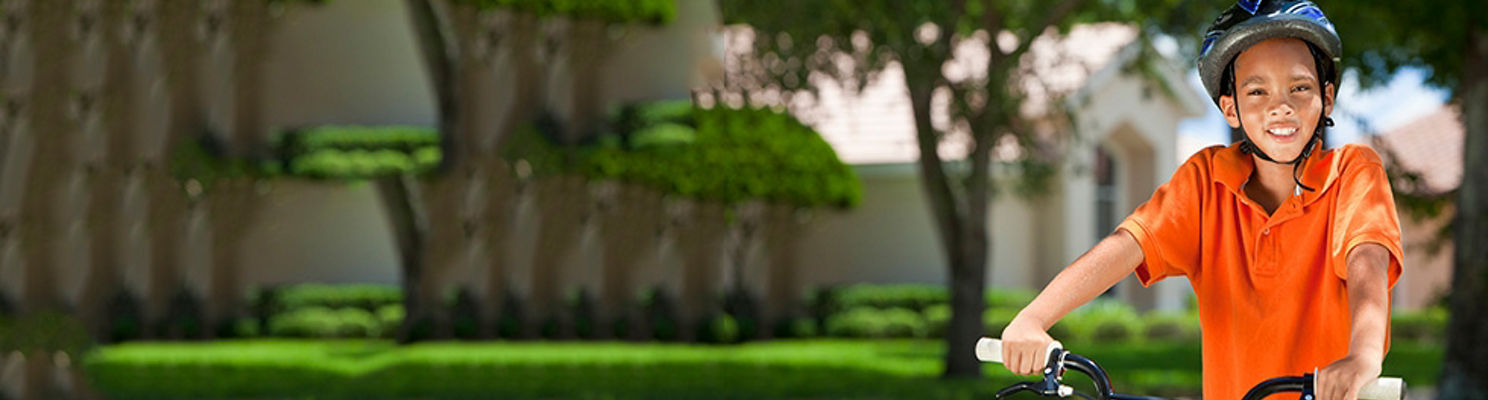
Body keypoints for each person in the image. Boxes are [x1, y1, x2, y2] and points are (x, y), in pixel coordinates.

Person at [998, 2, 1404, 400]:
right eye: (1257, 91)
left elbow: (1366, 257)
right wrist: (1034, 318)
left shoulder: (1352, 171)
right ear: (1231, 108)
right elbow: (1127, 246)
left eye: (1300, 87)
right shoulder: (1206, 182)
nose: (1281, 105)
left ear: (1326, 98)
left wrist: (1362, 356)